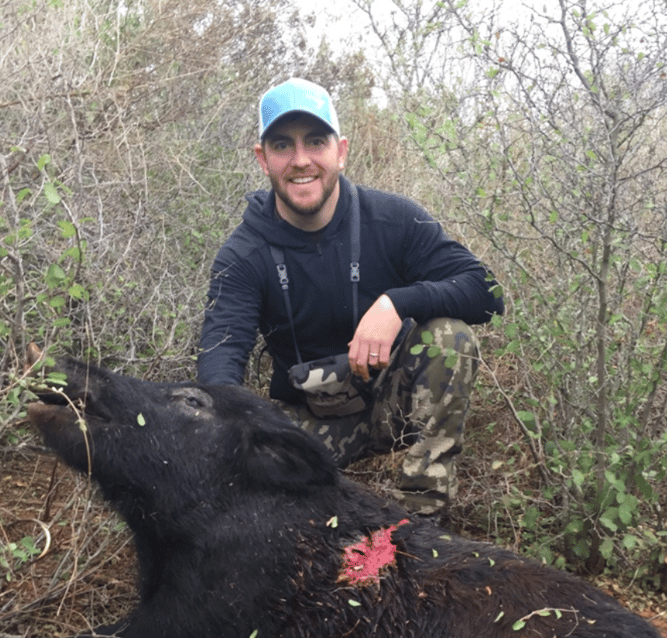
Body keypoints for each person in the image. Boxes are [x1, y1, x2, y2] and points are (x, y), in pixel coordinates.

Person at [198, 78, 503, 514]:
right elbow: (220, 361)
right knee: (226, 438)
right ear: (263, 159)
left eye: (316, 142)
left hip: (393, 404)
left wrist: (397, 304)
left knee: (450, 339)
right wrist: (233, 436)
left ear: (340, 151)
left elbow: (486, 292)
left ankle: (422, 517)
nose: (301, 161)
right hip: (304, 426)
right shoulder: (243, 254)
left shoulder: (393, 219)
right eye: (283, 145)